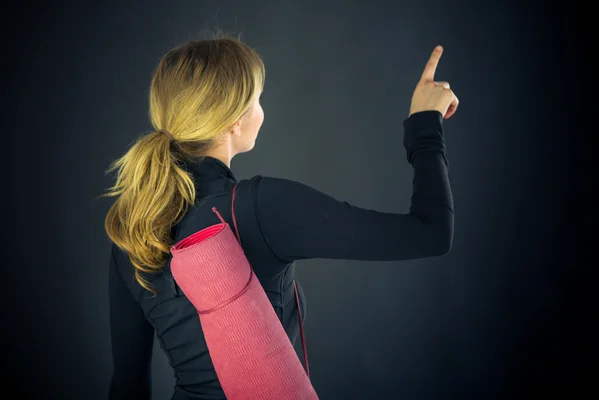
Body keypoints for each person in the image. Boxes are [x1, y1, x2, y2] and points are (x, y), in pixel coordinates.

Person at [102, 33, 458, 399]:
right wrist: (425, 123)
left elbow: (128, 384)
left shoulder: (133, 231)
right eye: (257, 99)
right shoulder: (260, 206)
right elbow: (430, 233)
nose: (261, 109)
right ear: (235, 119)